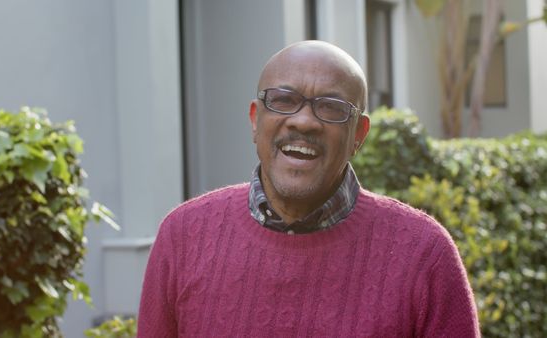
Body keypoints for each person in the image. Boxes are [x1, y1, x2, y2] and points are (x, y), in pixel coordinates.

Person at [137, 40, 479, 337]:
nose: (303, 121)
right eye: (284, 100)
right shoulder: (183, 237)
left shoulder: (424, 255)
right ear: (256, 120)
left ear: (358, 135)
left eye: (331, 108)